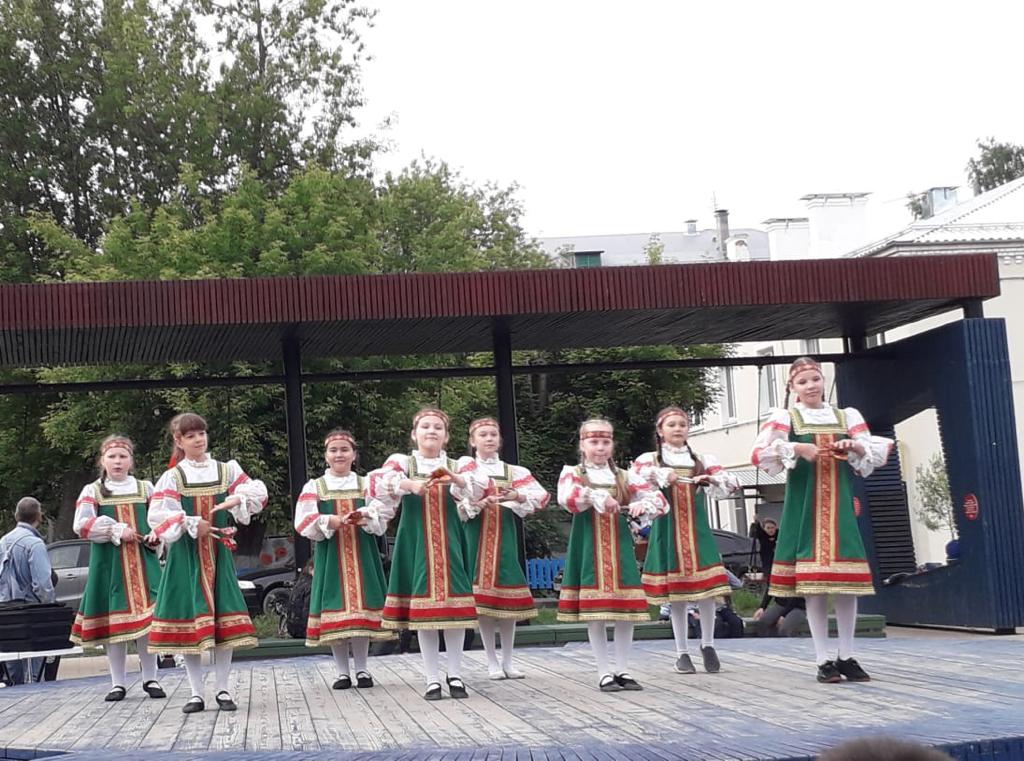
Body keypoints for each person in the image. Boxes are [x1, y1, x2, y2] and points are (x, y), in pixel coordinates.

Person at [751, 357, 892, 683]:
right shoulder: (786, 418)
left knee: (846, 587)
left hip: (839, 509)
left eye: (815, 379)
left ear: (823, 380)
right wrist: (798, 448)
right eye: (803, 382)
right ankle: (822, 658)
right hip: (805, 510)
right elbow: (758, 454)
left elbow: (872, 456)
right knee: (813, 588)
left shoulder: (846, 416)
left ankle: (847, 654)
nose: (811, 386)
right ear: (793, 388)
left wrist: (854, 446)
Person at [148, 412, 268, 714]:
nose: (198, 439)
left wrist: (237, 500)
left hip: (218, 554)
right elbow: (157, 515)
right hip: (185, 557)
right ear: (179, 441)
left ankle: (223, 689)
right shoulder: (173, 476)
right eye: (190, 436)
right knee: (191, 624)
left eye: (201, 433)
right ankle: (196, 692)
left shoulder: (226, 469)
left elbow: (257, 491)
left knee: (223, 622)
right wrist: (190, 522)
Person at [366, 408, 485, 701]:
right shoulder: (402, 463)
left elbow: (481, 489)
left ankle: (455, 674)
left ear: (446, 436)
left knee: (455, 610)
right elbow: (376, 483)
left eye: (438, 427)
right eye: (425, 426)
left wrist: (456, 480)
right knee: (424, 613)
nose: (431, 431)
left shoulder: (460, 464)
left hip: (450, 541)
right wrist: (410, 485)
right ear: (414, 434)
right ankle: (432, 678)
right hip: (416, 541)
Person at [557, 418, 666, 692]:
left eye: (605, 442)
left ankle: (623, 669)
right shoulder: (574, 473)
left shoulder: (624, 476)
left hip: (619, 546)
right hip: (589, 545)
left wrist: (642, 505)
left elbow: (659, 501)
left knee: (625, 611)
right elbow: (567, 498)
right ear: (582, 445)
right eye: (594, 442)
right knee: (596, 612)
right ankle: (603, 671)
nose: (600, 447)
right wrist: (597, 496)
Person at [632, 406, 740, 675]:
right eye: (671, 425)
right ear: (660, 431)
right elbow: (635, 481)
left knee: (708, 590)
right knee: (677, 595)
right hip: (668, 530)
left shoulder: (701, 459)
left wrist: (710, 479)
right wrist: (661, 475)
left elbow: (729, 482)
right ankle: (681, 651)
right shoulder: (650, 460)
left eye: (682, 424)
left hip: (697, 530)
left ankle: (708, 644)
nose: (678, 429)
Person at [70, 435, 165, 701]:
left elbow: (160, 518)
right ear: (103, 461)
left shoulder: (145, 488)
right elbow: (81, 525)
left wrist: (156, 535)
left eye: (123, 456)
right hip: (110, 566)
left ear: (131, 461)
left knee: (147, 623)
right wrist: (115, 529)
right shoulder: (93, 491)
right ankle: (117, 683)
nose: (118, 461)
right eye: (112, 457)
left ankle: (151, 678)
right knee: (115, 626)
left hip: (144, 564)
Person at [295, 429, 391, 689]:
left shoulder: (366, 484)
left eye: (344, 450)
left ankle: (362, 669)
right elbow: (303, 521)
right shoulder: (315, 486)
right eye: (334, 450)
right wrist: (330, 520)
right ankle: (341, 672)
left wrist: (366, 516)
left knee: (360, 614)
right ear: (326, 455)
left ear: (354, 455)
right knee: (335, 612)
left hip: (363, 554)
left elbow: (382, 517)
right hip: (331, 556)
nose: (339, 454)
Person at [455, 417, 549, 680]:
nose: (489, 438)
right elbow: (459, 503)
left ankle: (508, 659)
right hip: (476, 536)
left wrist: (517, 495)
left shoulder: (512, 471)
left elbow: (541, 496)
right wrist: (477, 503)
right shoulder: (466, 469)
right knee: (483, 602)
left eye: (493, 434)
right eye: (483, 435)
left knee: (507, 599)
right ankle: (491, 660)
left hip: (504, 537)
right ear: (473, 441)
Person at [0, 497, 56, 685]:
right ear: (39, 516)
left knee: (12, 671)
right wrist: (50, 608)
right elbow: (42, 584)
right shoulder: (34, 544)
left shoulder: (3, 542)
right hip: (30, 614)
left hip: (6, 614)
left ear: (16, 515)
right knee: (33, 673)